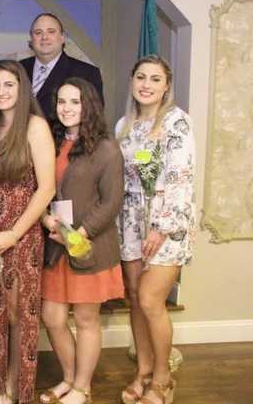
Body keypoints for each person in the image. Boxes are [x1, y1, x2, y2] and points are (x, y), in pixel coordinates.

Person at [0, 60, 55, 404]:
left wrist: (14, 234)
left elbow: (45, 189)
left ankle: (16, 387)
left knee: (18, 312)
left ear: (22, 89)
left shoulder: (34, 127)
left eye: (9, 85)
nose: (1, 92)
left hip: (21, 235)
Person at [38, 77, 125, 404]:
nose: (67, 108)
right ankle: (69, 378)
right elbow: (45, 189)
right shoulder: (54, 142)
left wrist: (76, 235)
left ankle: (82, 387)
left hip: (88, 249)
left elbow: (111, 202)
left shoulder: (106, 148)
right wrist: (47, 219)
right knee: (53, 318)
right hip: (55, 250)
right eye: (62, 101)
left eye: (75, 101)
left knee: (86, 320)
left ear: (89, 105)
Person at [116, 55, 195, 404]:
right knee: (134, 298)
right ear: (132, 81)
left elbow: (181, 179)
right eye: (141, 77)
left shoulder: (177, 122)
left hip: (167, 223)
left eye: (155, 79)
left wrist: (160, 228)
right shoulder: (124, 125)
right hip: (130, 221)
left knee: (151, 300)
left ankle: (163, 379)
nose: (146, 84)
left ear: (166, 86)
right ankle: (143, 372)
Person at [19, 13, 103, 120]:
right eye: (38, 33)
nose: (44, 37)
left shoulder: (87, 74)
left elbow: (94, 119)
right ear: (31, 39)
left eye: (51, 31)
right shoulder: (18, 69)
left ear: (62, 37)